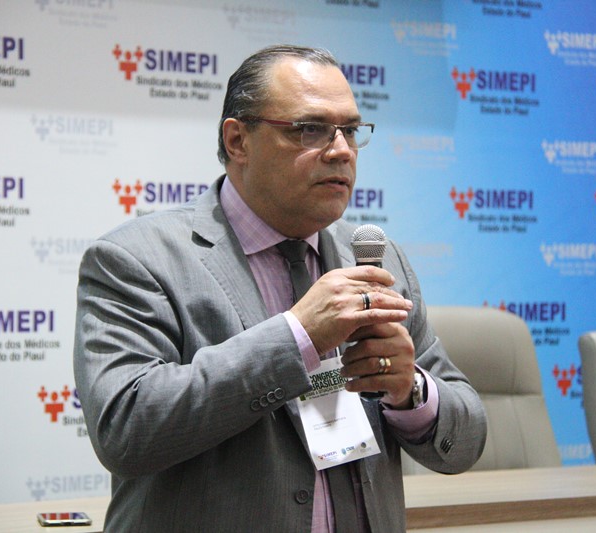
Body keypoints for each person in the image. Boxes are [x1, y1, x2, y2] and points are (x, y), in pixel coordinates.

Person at [74, 44, 487, 532]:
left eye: (351, 130)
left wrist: (410, 390)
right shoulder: (137, 259)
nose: (341, 150)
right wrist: (297, 336)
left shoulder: (378, 260)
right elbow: (124, 430)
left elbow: (465, 439)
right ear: (238, 141)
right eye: (310, 129)